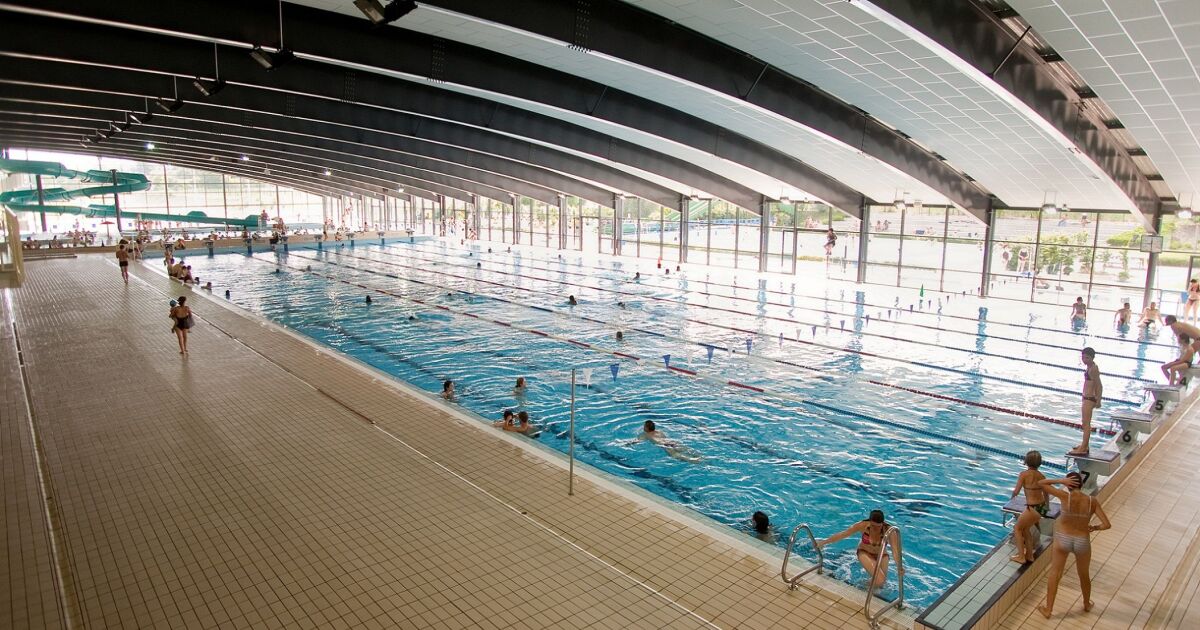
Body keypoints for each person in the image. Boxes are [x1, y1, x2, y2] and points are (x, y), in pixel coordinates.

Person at [1037, 472, 1111, 619]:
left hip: (1063, 539)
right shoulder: (1092, 501)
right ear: (1082, 484)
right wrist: (1094, 527)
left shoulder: (1064, 496)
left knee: (1055, 573)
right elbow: (1107, 525)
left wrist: (1060, 480)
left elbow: (1041, 484)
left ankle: (1048, 610)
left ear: (1068, 485)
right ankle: (1086, 604)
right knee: (1084, 574)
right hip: (1082, 541)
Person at [817, 510, 904, 590]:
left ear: (882, 523)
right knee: (880, 580)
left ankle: (865, 587)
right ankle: (860, 587)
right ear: (869, 522)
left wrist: (899, 566)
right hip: (865, 552)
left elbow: (895, 551)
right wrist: (824, 542)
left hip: (882, 555)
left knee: (881, 584)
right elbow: (843, 534)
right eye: (873, 526)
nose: (875, 529)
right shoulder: (863, 525)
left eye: (878, 526)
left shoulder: (889, 531)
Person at [1009, 451, 1048, 564]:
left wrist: (1011, 500)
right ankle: (1029, 555)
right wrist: (1047, 508)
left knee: (1017, 528)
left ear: (1026, 461)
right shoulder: (1042, 476)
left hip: (1032, 507)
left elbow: (1016, 491)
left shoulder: (1024, 474)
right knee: (1026, 529)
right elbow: (1046, 494)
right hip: (1041, 507)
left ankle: (1021, 557)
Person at [1070, 348, 1102, 456]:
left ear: (1092, 358)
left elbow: (1099, 385)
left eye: (1087, 358)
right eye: (1083, 357)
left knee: (1086, 424)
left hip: (1089, 399)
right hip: (1086, 398)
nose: (1084, 360)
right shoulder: (1090, 367)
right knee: (1085, 423)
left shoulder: (1094, 369)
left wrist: (1098, 400)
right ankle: (1085, 445)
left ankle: (1083, 448)